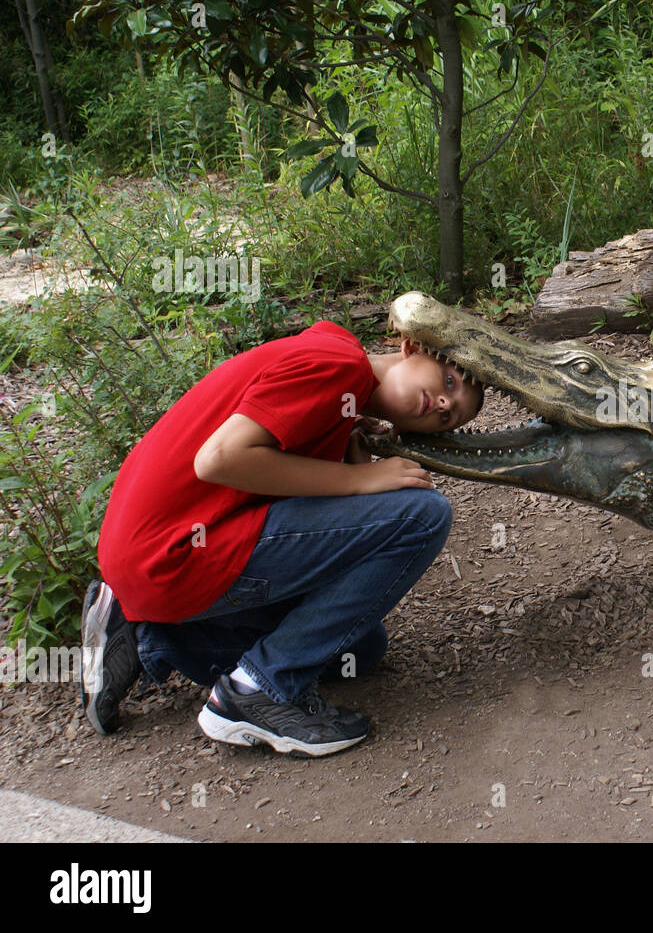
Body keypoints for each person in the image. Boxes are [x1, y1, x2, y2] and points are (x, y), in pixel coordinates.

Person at [80, 317, 483, 756]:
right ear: (411, 346)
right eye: (449, 379)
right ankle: (258, 691)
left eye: (451, 417)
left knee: (361, 647)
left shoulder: (338, 383)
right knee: (422, 515)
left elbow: (290, 506)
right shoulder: (340, 366)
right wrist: (361, 483)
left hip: (147, 559)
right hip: (171, 553)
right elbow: (218, 459)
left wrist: (350, 463)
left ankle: (142, 636)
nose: (444, 402)